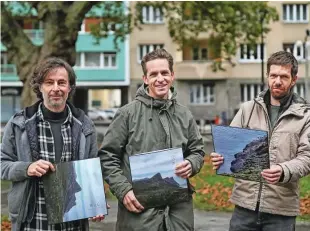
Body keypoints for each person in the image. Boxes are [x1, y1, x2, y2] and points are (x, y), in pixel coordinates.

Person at [99, 48, 205, 231]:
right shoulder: (127, 114)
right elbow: (108, 157)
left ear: (172, 75)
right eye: (153, 74)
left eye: (164, 73)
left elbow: (197, 151)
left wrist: (191, 163)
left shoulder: (184, 114)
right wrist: (123, 190)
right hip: (139, 215)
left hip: (178, 216)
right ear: (145, 79)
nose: (160, 78)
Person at [1, 57, 105, 231]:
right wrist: (27, 168)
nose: (56, 88)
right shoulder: (19, 123)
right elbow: (2, 164)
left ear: (69, 88)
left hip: (73, 223)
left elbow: (92, 171)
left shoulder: (85, 126)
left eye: (61, 83)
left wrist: (95, 202)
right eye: (49, 82)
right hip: (32, 221)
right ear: (40, 86)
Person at [211, 51, 310, 230]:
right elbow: (229, 145)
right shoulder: (248, 109)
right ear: (267, 76)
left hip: (281, 209)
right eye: (273, 75)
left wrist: (283, 170)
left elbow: (307, 158)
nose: (277, 81)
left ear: (294, 79)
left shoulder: (305, 116)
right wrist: (220, 157)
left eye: (283, 76)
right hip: (244, 207)